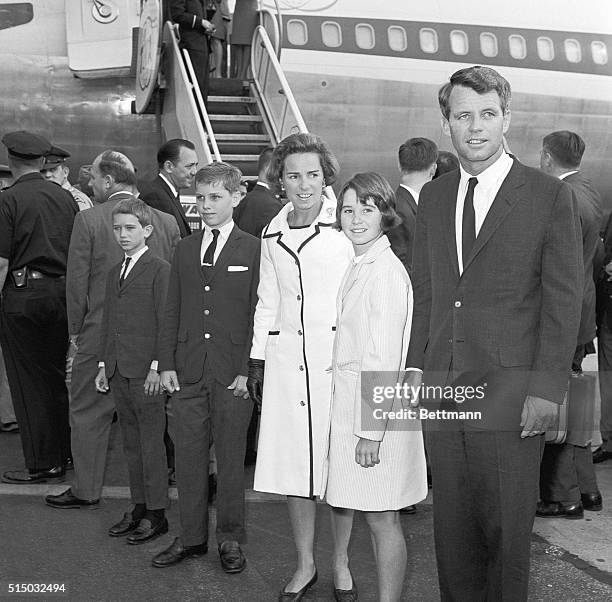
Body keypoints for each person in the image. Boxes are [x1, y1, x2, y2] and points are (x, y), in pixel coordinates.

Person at [405, 66, 582, 600]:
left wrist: (548, 391)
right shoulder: (434, 198)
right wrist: (416, 366)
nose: (475, 127)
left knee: (505, 533)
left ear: (507, 118)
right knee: (452, 531)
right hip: (445, 387)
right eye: (463, 116)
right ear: (446, 123)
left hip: (511, 390)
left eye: (486, 114)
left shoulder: (548, 196)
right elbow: (429, 292)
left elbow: (564, 300)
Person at [246, 132, 353, 598]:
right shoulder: (272, 230)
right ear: (280, 180)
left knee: (338, 470)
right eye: (294, 175)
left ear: (325, 176)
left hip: (337, 363)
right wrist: (257, 359)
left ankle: (342, 563)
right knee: (295, 469)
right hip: (288, 364)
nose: (304, 184)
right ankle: (305, 562)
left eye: (312, 174)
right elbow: (267, 298)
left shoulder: (347, 222)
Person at [45, 150, 179, 510]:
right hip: (153, 341)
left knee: (89, 411)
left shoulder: (89, 220)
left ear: (108, 180)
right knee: (154, 423)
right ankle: (154, 500)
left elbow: (77, 282)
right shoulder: (166, 222)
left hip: (99, 333)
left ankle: (87, 489)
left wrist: (76, 335)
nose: (90, 183)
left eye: (94, 178)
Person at [152, 162, 259, 573]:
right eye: (200, 197)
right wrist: (166, 363)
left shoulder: (253, 248)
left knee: (231, 461)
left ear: (236, 198)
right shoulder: (183, 247)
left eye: (215, 197)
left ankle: (229, 538)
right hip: (188, 369)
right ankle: (191, 537)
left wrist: (248, 370)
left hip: (232, 374)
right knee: (189, 458)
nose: (206, 205)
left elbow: (258, 312)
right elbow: (172, 308)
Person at [326, 172, 427, 602]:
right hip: (365, 407)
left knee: (383, 518)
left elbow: (383, 357)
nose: (355, 218)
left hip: (374, 413)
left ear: (385, 214)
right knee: (375, 516)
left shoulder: (383, 271)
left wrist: (371, 430)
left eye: (366, 209)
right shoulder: (363, 262)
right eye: (348, 210)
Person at [0, 130, 78, 484]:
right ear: (43, 161)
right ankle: (64, 453)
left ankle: (43, 463)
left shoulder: (9, 199)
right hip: (61, 294)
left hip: (23, 294)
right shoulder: (65, 198)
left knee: (28, 381)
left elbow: (2, 260)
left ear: (12, 160)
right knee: (53, 378)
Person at [95, 198, 171, 544]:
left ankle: (157, 513)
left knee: (151, 443)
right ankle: (138, 505)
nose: (122, 235)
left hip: (147, 372)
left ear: (147, 231)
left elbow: (165, 322)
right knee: (131, 444)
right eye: (117, 229)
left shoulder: (159, 269)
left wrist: (158, 366)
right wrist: (102, 363)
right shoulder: (115, 272)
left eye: (129, 229)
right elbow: (109, 320)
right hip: (118, 369)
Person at [537, 130, 603, 517]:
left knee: (555, 405)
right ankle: (587, 489)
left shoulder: (563, 197)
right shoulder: (588, 189)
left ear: (547, 157)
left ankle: (563, 496)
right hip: (584, 311)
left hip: (565, 315)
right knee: (575, 406)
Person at [388, 137, 437, 275]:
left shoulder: (403, 204)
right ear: (433, 169)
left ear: (399, 165)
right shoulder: (400, 209)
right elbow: (400, 265)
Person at [140, 139, 198, 239]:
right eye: (189, 166)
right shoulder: (155, 196)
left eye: (196, 165)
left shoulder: (169, 193)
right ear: (169, 167)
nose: (194, 172)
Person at [169, 0, 215, 101]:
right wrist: (200, 22)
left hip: (201, 43)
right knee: (196, 85)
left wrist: (205, 27)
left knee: (202, 86)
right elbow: (177, 14)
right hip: (191, 44)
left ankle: (201, 114)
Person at [234, 147, 283, 237]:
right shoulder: (271, 206)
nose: (284, 175)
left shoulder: (244, 201)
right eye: (281, 169)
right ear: (268, 169)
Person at [41, 144, 93, 211]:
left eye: (53, 170)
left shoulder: (78, 201)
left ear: (65, 172)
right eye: (43, 171)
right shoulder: (42, 197)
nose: (47, 175)